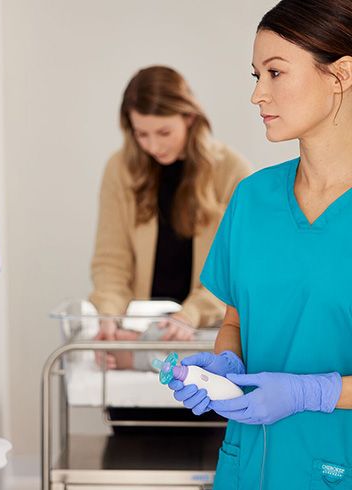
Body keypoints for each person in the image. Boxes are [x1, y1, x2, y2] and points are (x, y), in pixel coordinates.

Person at [170, 1, 352, 488]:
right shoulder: (253, 198)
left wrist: (313, 392)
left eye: (274, 73)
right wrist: (226, 366)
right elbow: (235, 319)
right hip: (247, 466)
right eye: (256, 74)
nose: (257, 94)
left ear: (341, 75)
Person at [89, 65, 250, 369]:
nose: (153, 145)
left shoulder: (233, 172)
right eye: (142, 134)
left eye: (164, 132)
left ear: (189, 118)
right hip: (140, 340)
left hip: (208, 338)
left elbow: (237, 268)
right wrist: (109, 314)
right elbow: (111, 261)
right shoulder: (120, 170)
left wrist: (190, 315)